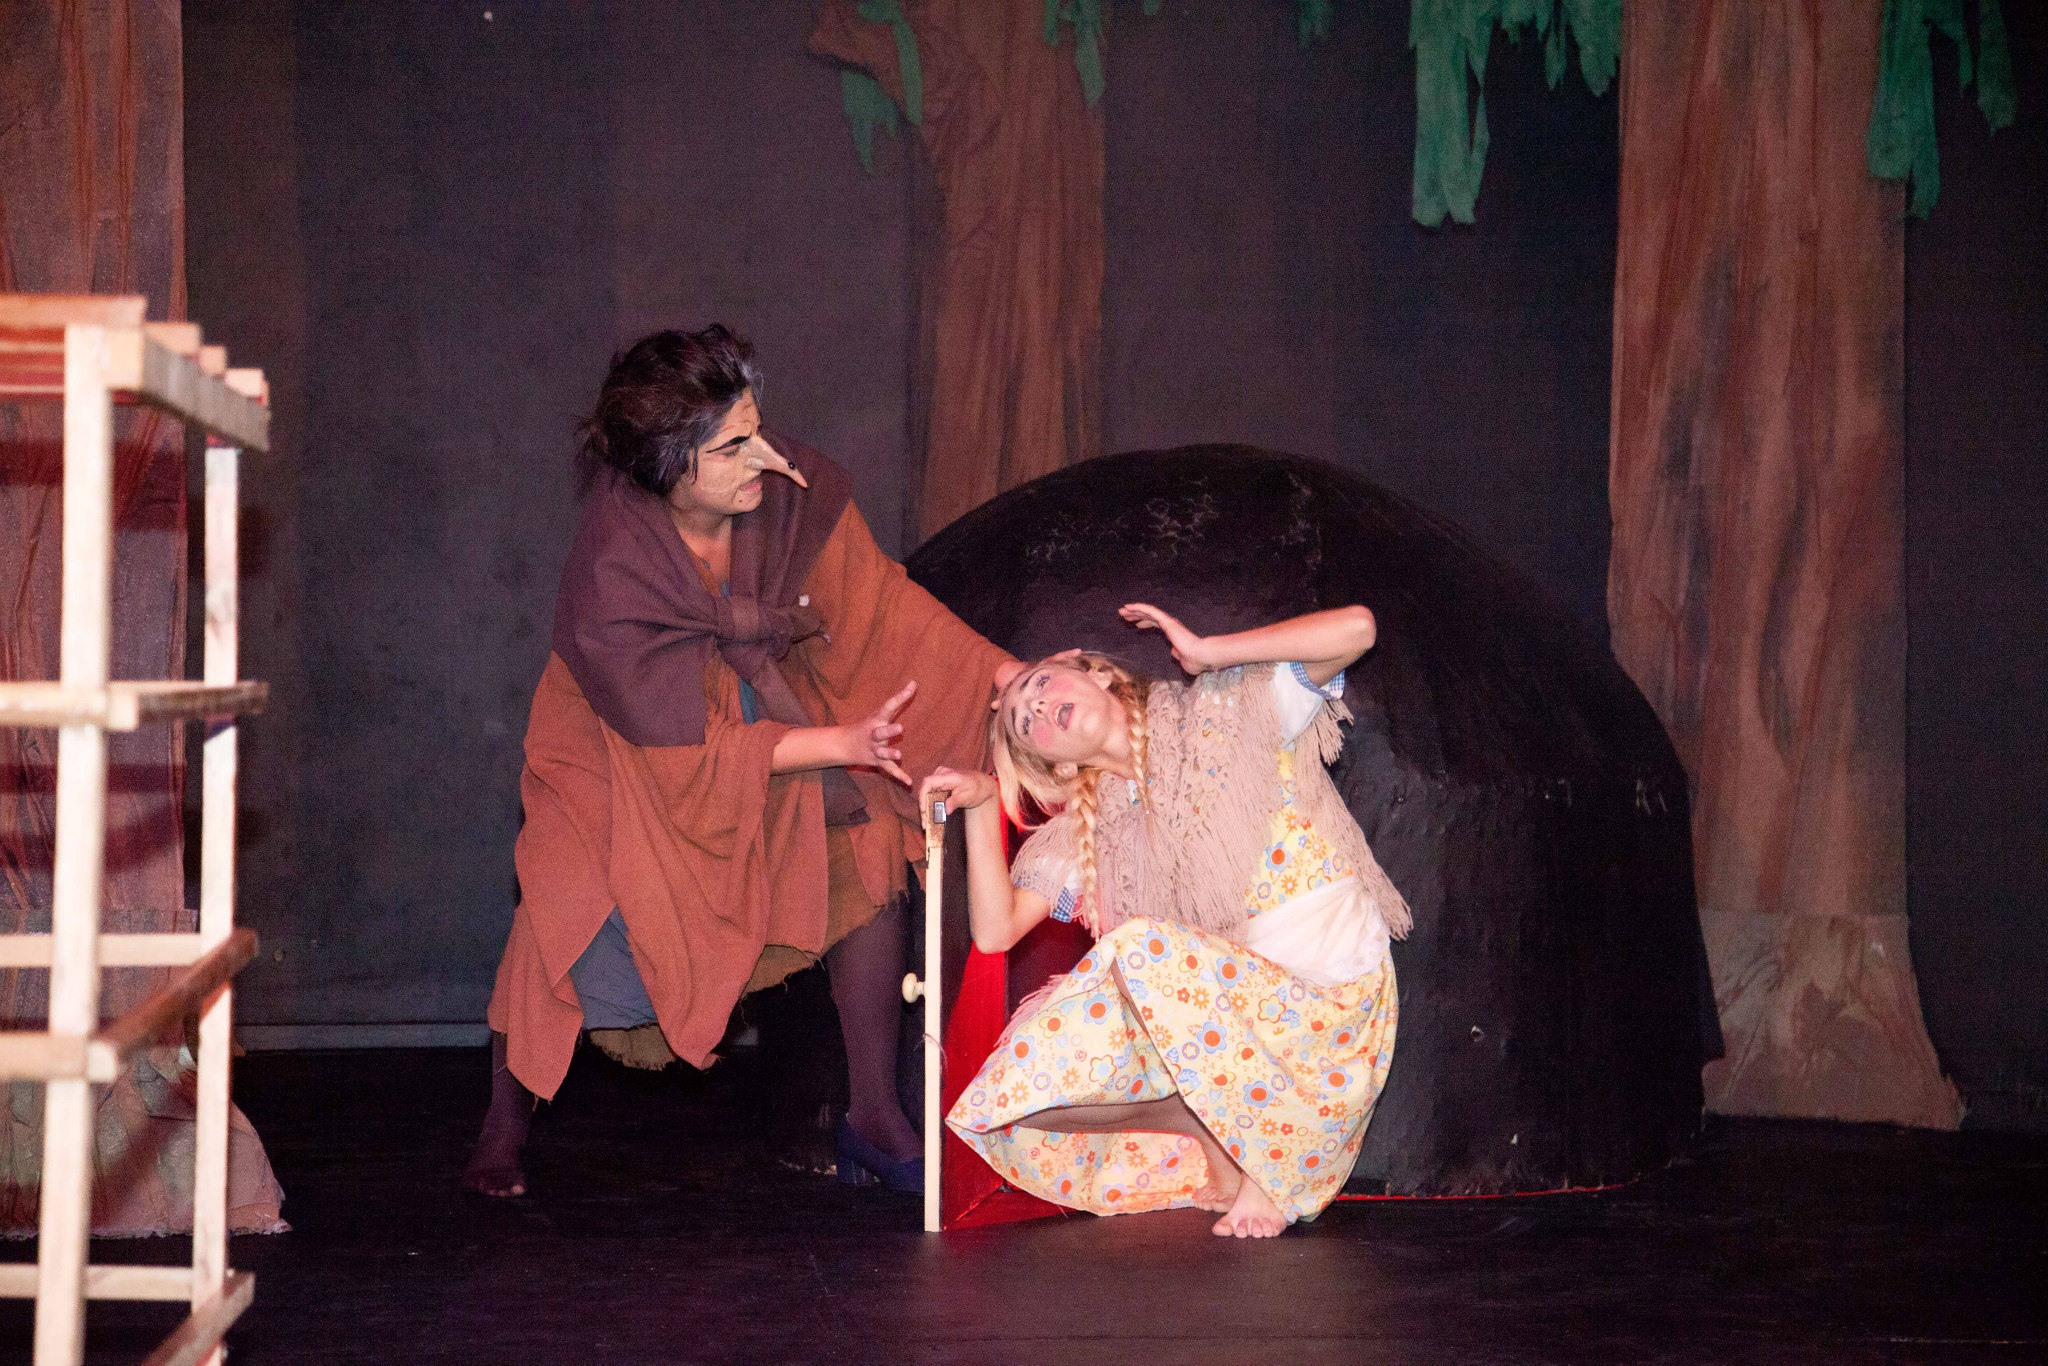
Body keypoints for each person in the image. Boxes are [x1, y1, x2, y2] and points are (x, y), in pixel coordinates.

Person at [465, 325, 1016, 1198]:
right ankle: (502, 1124)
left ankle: (874, 1116)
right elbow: (685, 749)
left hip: (768, 712)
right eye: (731, 447)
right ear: (667, 469)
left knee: (867, 838)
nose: (764, 454)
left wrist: (1002, 677)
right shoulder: (616, 571)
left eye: (756, 427)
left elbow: (884, 608)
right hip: (626, 744)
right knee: (566, 903)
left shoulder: (786, 491)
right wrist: (840, 745)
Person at [920, 602, 1411, 1237]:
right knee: (1004, 1099)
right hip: (1239, 1035)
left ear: (1095, 673)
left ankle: (1264, 1168)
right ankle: (1206, 1123)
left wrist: (1209, 653)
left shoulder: (1228, 712)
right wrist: (984, 803)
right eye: (1024, 722)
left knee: (1140, 949)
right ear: (1058, 766)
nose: (1037, 706)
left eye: (1040, 685)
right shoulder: (1089, 830)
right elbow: (996, 930)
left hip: (1331, 1021)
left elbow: (1358, 630)